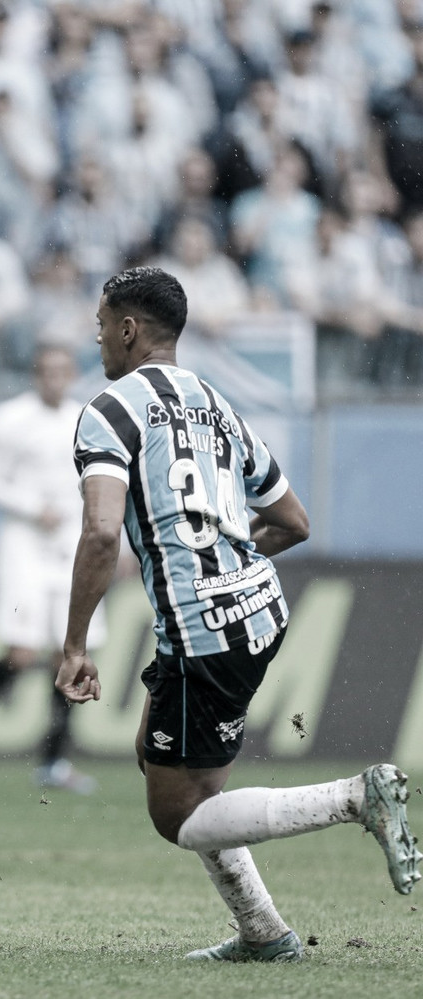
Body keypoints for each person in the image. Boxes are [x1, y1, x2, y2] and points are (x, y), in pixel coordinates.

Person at [56, 266, 421, 963]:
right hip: (255, 607)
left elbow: (101, 533)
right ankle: (263, 933)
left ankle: (355, 797)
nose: (96, 335)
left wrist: (74, 643)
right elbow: (293, 520)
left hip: (202, 624)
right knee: (160, 756)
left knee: (178, 813)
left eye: (101, 323)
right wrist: (224, 552)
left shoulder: (109, 409)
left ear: (129, 329)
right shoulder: (216, 403)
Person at [0, 344, 102, 794]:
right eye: (47, 370)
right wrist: (31, 508)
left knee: (68, 652)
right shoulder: (10, 419)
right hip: (24, 541)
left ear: (71, 374)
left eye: (63, 371)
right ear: (35, 373)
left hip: (70, 540)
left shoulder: (86, 418)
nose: (55, 379)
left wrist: (113, 541)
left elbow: (101, 484)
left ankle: (54, 760)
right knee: (21, 651)